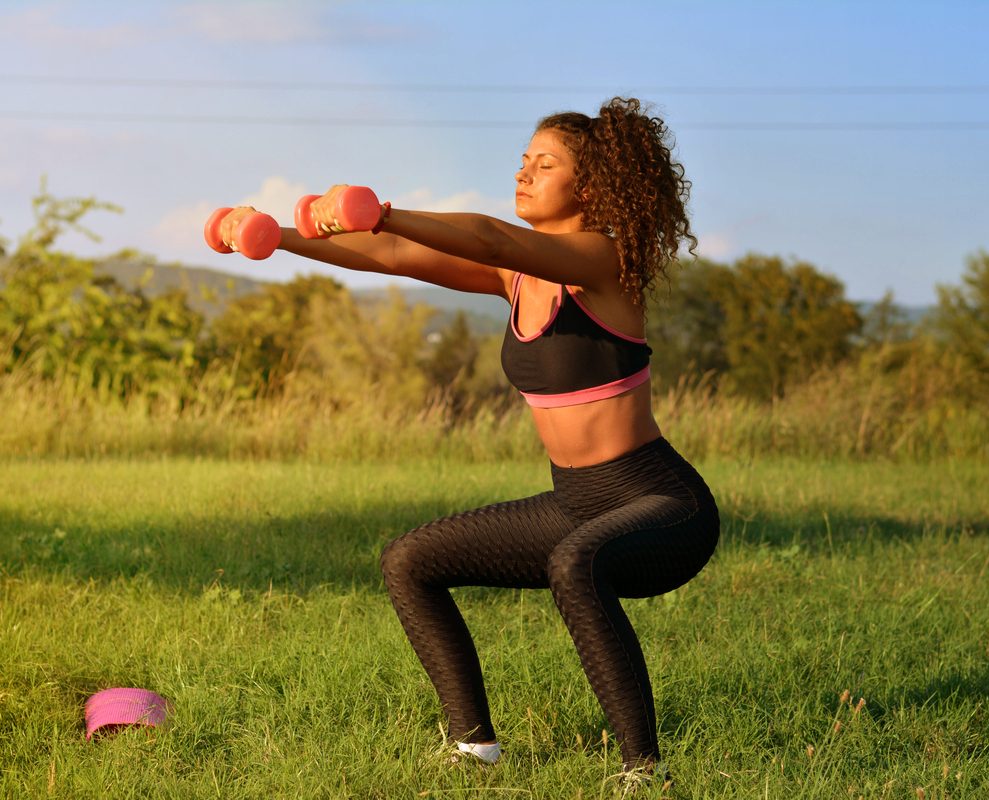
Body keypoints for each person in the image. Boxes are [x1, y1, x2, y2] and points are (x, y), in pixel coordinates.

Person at [216, 96, 719, 781]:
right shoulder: (517, 278)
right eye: (523, 161)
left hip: (661, 506)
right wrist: (278, 234)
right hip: (577, 500)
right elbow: (393, 255)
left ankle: (643, 769)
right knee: (411, 561)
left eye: (546, 165)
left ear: (592, 187)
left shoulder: (605, 261)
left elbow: (488, 236)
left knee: (574, 565)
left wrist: (383, 207)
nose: (525, 174)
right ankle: (472, 745)